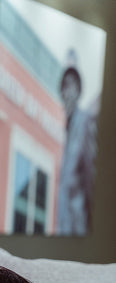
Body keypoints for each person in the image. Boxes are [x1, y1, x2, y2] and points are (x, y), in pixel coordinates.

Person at [56, 60, 98, 235]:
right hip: (64, 227)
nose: (67, 92)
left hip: (77, 225)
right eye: (64, 87)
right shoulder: (68, 129)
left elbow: (90, 176)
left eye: (71, 86)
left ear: (78, 90)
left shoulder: (85, 122)